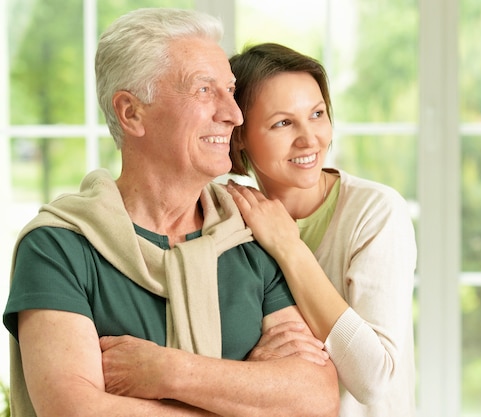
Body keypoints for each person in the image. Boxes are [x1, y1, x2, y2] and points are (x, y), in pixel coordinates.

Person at [2, 9, 338, 417]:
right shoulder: (59, 248)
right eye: (203, 90)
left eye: (230, 91)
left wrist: (168, 373)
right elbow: (75, 411)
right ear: (131, 113)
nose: (233, 114)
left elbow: (316, 399)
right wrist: (247, 397)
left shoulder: (251, 230)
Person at [224, 43, 417, 416]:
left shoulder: (375, 212)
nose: (309, 138)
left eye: (317, 114)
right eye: (283, 122)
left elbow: (372, 380)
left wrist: (288, 247)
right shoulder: (231, 216)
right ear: (240, 135)